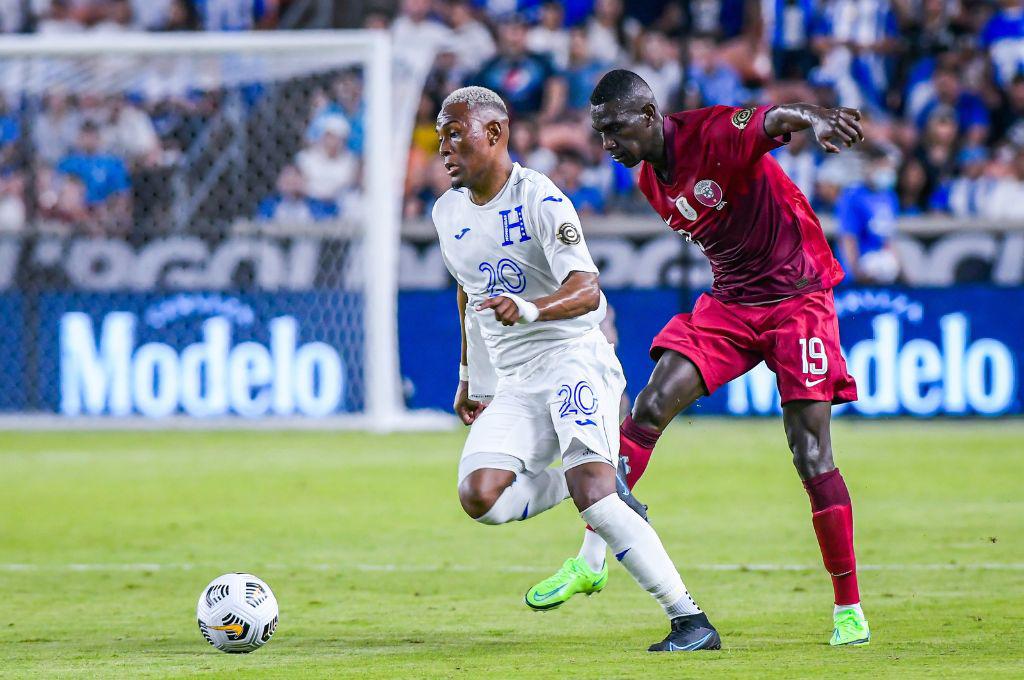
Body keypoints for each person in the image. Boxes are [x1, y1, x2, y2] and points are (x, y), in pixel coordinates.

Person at [581, 69, 870, 646]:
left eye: (616, 130)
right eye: (600, 134)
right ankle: (592, 556)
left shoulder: (711, 132)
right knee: (652, 402)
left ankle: (848, 607)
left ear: (648, 116)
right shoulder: (648, 182)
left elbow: (769, 119)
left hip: (798, 300)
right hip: (733, 306)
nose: (608, 145)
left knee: (810, 453)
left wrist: (813, 116)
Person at [433, 86, 720, 652]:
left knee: (595, 495)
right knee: (480, 498)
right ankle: (583, 478)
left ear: (493, 134)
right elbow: (468, 296)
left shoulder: (540, 199)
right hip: (515, 382)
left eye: (454, 133)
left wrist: (533, 308)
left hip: (573, 360)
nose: (443, 147)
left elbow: (588, 290)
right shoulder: (447, 212)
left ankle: (690, 620)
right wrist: (471, 378)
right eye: (441, 134)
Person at [836, 147, 900, 284]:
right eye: (882, 166)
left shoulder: (889, 196)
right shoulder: (852, 196)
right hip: (861, 267)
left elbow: (888, 238)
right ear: (869, 166)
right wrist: (855, 273)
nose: (887, 171)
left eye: (888, 167)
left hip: (884, 269)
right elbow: (847, 238)